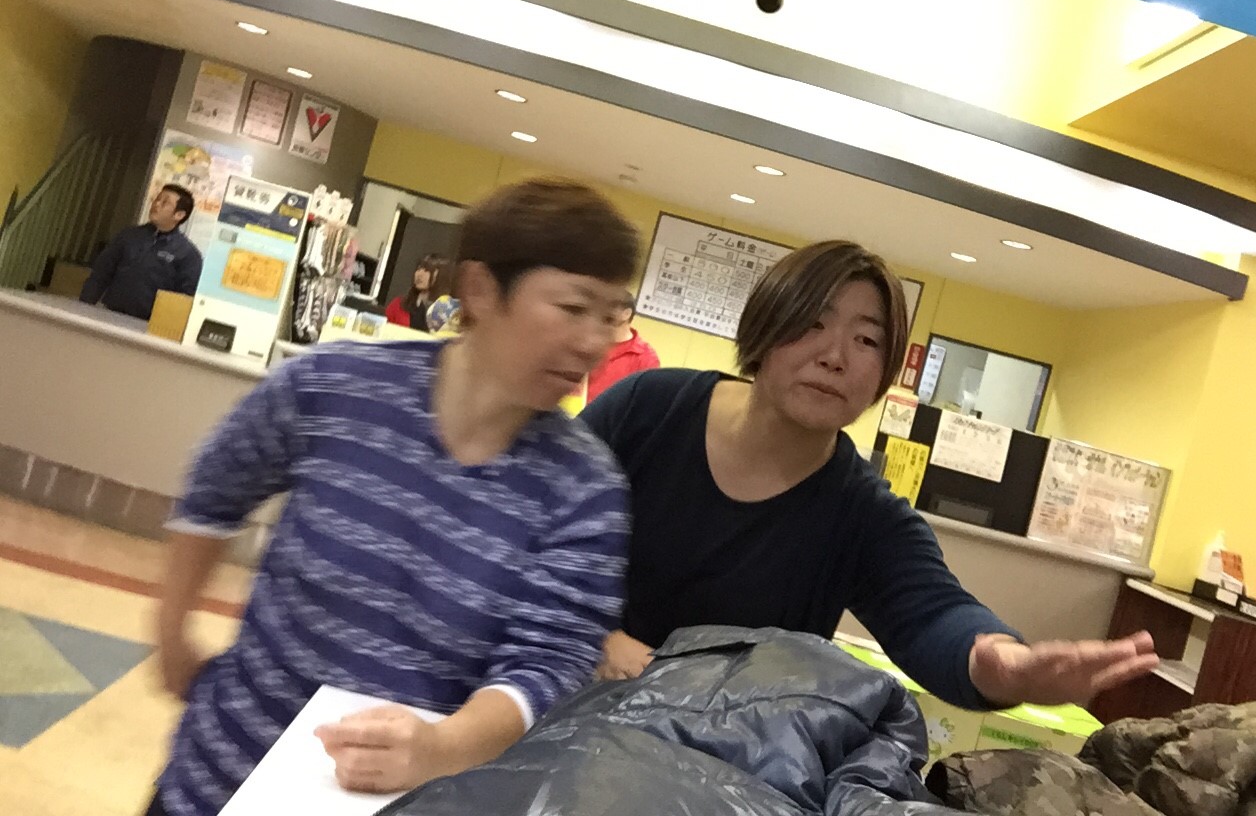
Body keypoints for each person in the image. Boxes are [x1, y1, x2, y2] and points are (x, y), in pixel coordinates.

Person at [146, 177, 641, 816]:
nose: (595, 343)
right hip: (219, 772)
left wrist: (439, 748)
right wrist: (172, 632)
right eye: (573, 308)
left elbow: (547, 663)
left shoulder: (586, 489)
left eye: (611, 316)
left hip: (396, 800)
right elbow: (216, 490)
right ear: (481, 289)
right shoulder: (333, 387)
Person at [581, 240, 1158, 710]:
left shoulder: (860, 513)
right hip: (558, 692)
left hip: (704, 756)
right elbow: (541, 518)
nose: (835, 356)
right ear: (764, 329)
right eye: (811, 324)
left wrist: (1004, 666)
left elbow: (932, 612)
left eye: (866, 339)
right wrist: (596, 636)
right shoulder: (649, 409)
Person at [79, 183, 202, 319]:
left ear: (179, 215)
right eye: (157, 199)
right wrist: (84, 307)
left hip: (148, 324)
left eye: (164, 202)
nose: (156, 204)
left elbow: (183, 299)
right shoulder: (129, 236)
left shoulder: (188, 255)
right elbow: (100, 273)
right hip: (109, 313)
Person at [584, 293, 660, 403]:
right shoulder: (588, 340)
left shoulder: (645, 357)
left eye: (611, 306)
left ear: (627, 314)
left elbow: (643, 399)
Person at [385, 253, 457, 333]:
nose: (420, 274)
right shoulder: (398, 304)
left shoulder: (448, 312)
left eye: (427, 270)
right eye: (418, 269)